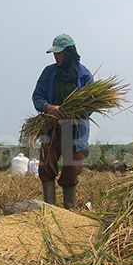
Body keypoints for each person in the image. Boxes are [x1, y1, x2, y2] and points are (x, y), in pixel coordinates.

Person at [31, 34, 93, 209]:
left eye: (59, 54)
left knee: (72, 168)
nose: (56, 57)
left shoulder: (84, 76)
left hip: (75, 129)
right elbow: (37, 98)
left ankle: (69, 211)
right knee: (46, 165)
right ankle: (50, 209)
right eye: (55, 54)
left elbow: (90, 106)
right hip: (51, 126)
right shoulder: (49, 72)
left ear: (69, 53)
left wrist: (73, 113)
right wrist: (50, 107)